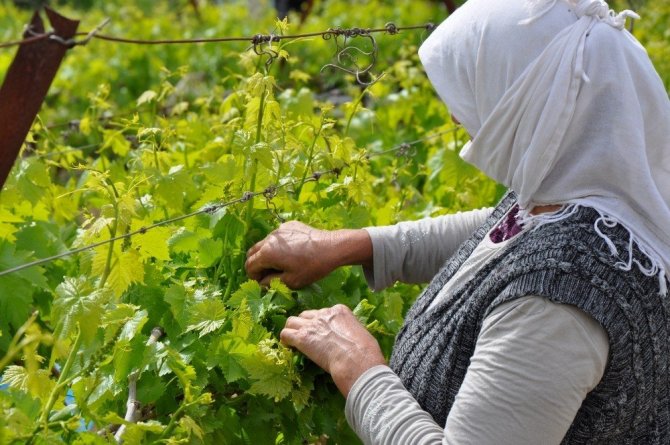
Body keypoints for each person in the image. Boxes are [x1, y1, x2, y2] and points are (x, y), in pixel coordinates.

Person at [245, 0, 670, 443]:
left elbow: (545, 265)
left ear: (533, 99)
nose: (453, 115)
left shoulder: (556, 307)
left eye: (475, 88)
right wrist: (357, 245)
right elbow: (507, 233)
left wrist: (356, 366)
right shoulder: (598, 198)